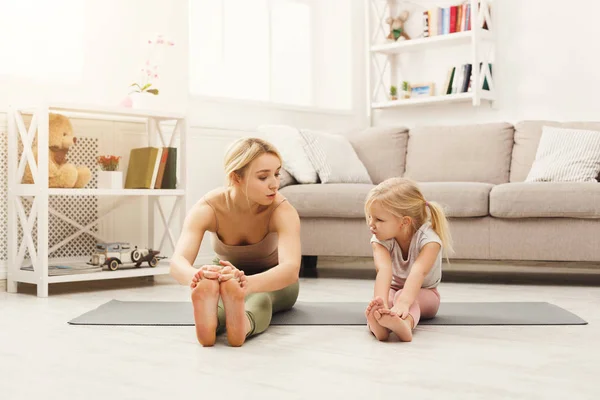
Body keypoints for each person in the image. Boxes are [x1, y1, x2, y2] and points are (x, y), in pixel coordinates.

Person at [169, 137, 301, 347]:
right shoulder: (208, 207)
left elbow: (290, 269)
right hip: (225, 275)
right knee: (221, 298)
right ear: (236, 177)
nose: (275, 184)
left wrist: (247, 284)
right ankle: (210, 325)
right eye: (263, 176)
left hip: (274, 278)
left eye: (276, 174)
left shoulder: (282, 210)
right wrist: (199, 277)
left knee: (260, 298)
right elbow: (178, 261)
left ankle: (241, 327)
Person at [363, 177, 453, 342]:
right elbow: (384, 271)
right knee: (389, 299)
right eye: (370, 217)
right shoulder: (380, 239)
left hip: (425, 295)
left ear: (404, 222)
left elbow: (418, 272)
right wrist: (380, 304)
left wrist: (403, 303)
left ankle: (405, 324)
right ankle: (379, 327)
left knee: (400, 298)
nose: (371, 224)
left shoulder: (429, 241)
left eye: (379, 220)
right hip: (394, 290)